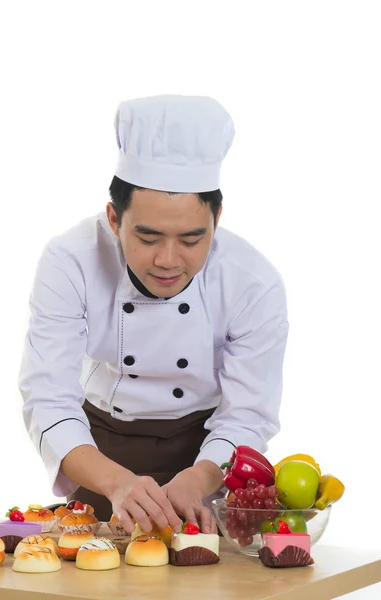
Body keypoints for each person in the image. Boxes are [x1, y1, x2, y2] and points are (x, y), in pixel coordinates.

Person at [19, 94, 289, 536]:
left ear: (216, 219)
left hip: (207, 456)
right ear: (113, 218)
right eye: (147, 237)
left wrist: (200, 479)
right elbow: (48, 398)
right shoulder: (70, 261)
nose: (168, 259)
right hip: (101, 455)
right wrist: (115, 482)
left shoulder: (253, 283)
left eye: (190, 239)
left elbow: (247, 416)